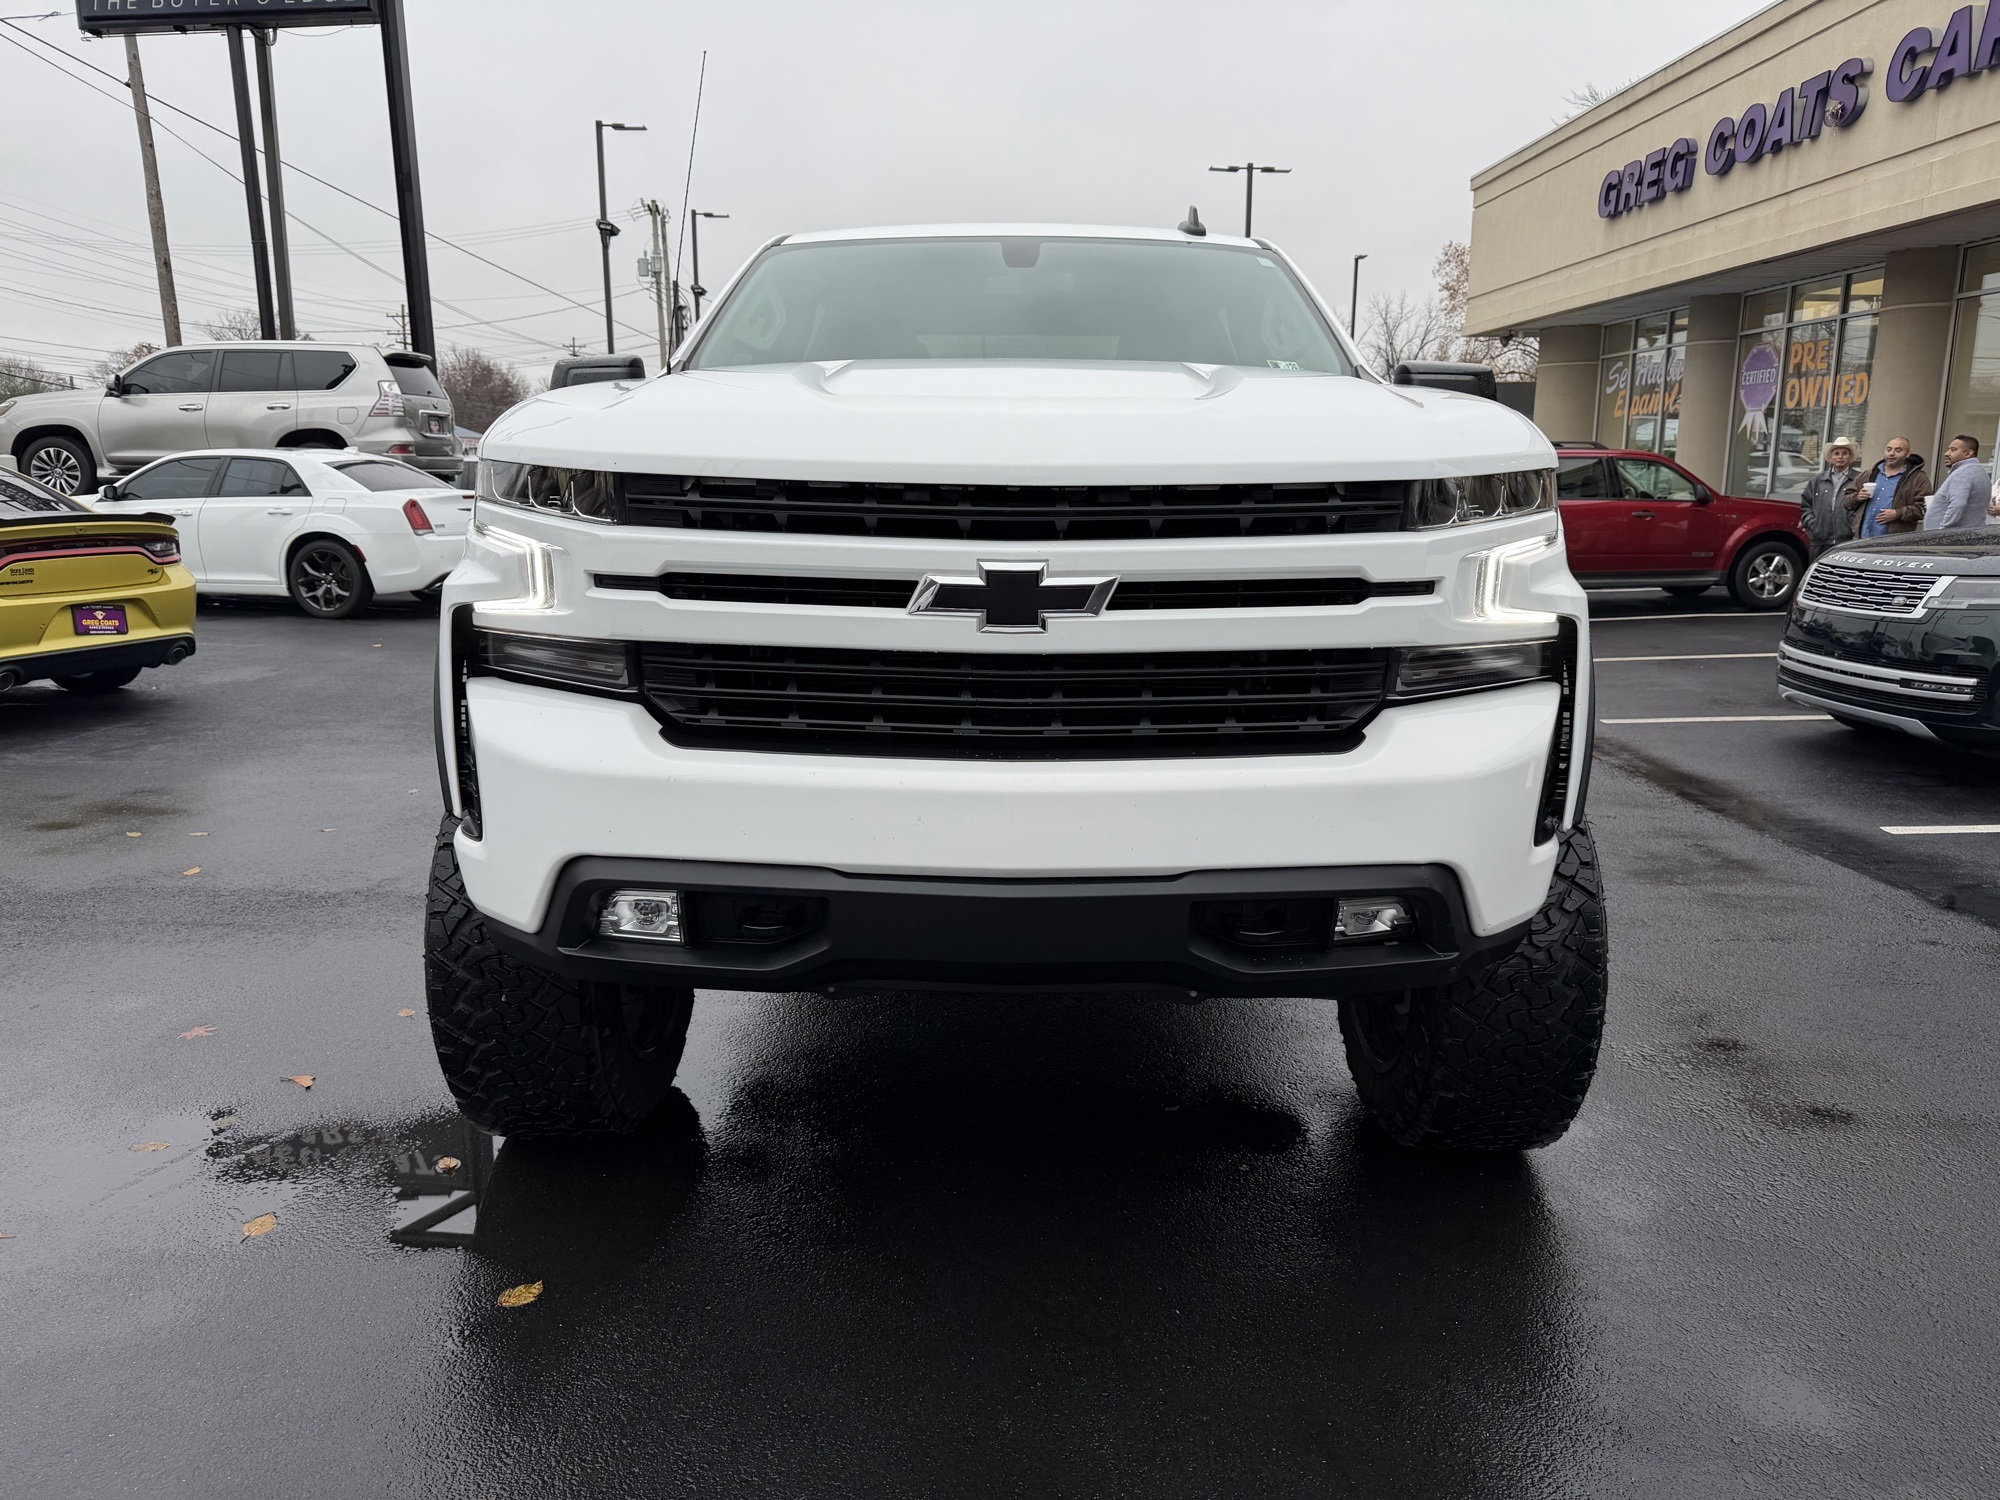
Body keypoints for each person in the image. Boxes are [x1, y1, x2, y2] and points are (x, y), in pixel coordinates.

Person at [1847, 437, 1932, 538]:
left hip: (1892, 542)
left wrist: (1898, 514)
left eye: (1898, 450)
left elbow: (1924, 508)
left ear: (1908, 454)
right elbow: (1846, 501)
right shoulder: (1869, 474)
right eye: (1889, 449)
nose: (1892, 453)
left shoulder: (1918, 478)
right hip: (1862, 538)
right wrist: (1857, 497)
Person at [1800, 438, 1862, 557]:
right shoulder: (1817, 480)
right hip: (1819, 540)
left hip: (1848, 540)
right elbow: (1806, 505)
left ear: (1850, 457)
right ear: (1830, 457)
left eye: (1844, 453)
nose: (1840, 457)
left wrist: (1853, 525)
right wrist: (1813, 525)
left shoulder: (1858, 479)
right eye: (1836, 453)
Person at [1927, 434, 1991, 530]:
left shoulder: (1963, 473)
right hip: (1968, 534)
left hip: (1947, 538)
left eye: (1953, 450)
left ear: (1968, 453)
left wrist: (1942, 530)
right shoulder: (1978, 471)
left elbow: (1957, 504)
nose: (1946, 453)